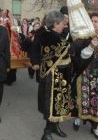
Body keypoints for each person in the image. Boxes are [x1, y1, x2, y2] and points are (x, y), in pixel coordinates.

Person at [31, 11, 72, 140]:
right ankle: (47, 132)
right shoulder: (48, 35)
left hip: (61, 73)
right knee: (51, 103)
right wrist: (35, 62)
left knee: (59, 102)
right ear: (55, 24)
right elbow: (66, 48)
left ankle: (55, 126)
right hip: (51, 75)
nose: (64, 26)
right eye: (62, 24)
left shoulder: (54, 33)